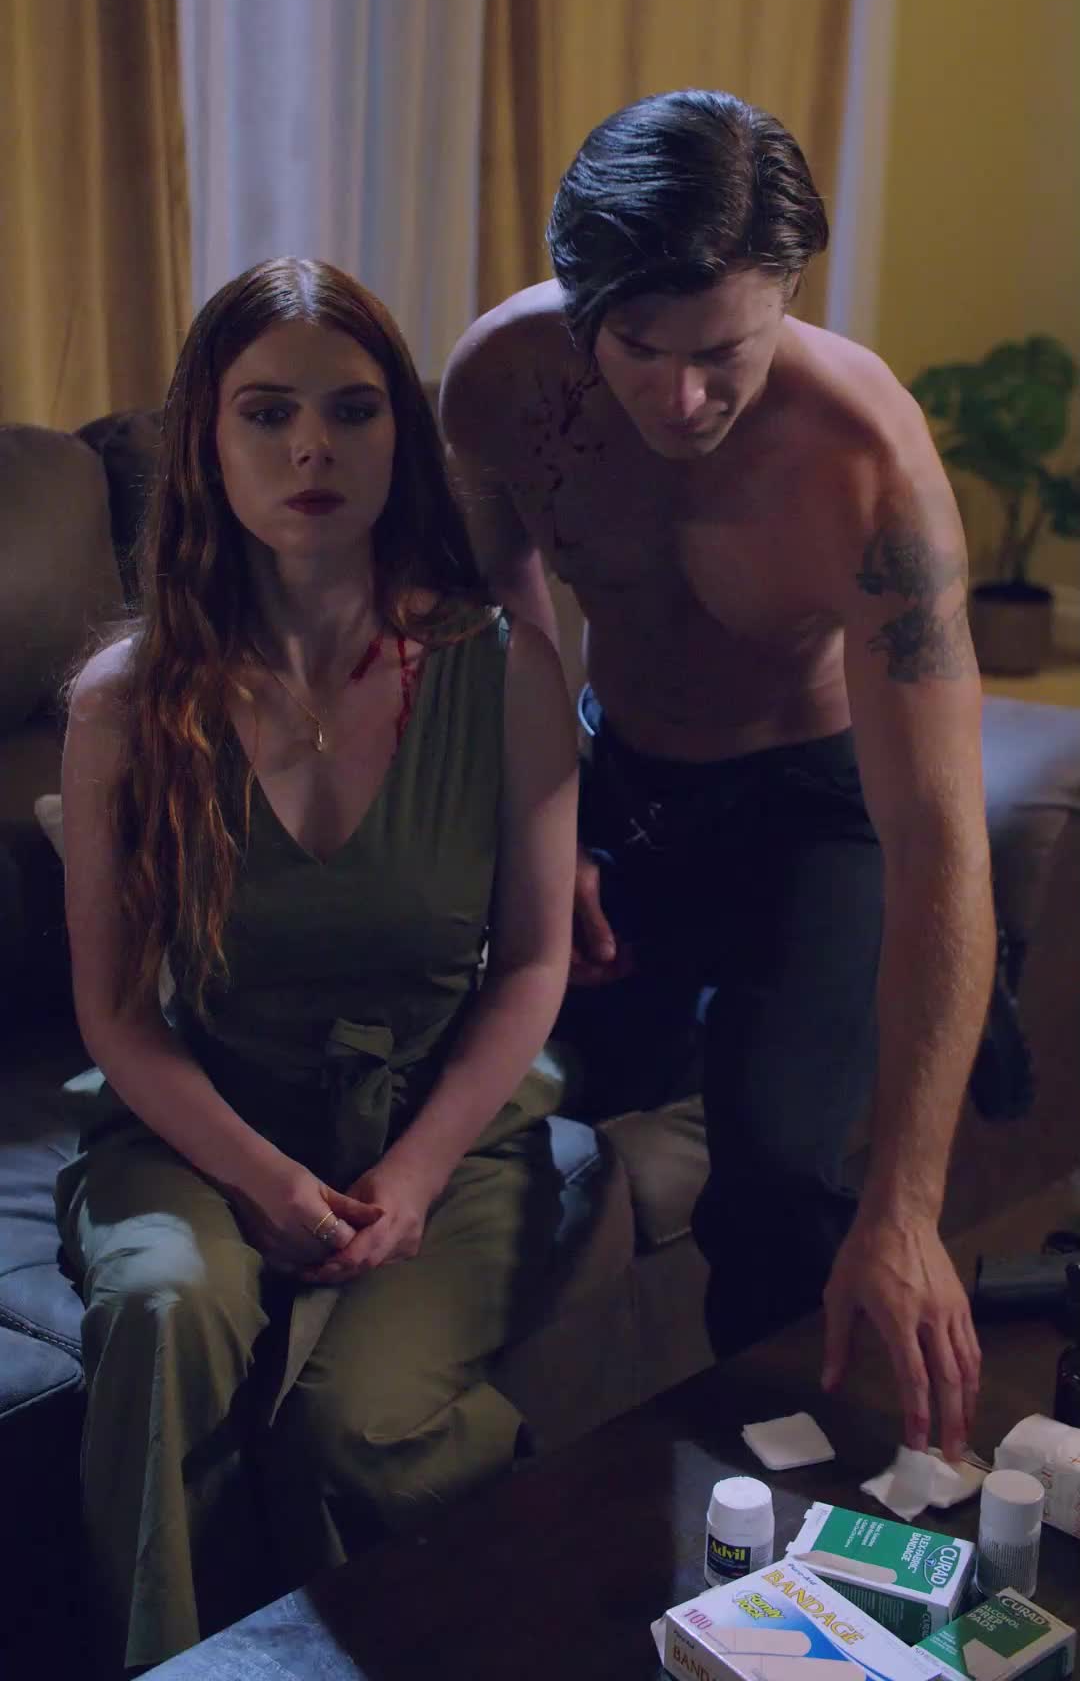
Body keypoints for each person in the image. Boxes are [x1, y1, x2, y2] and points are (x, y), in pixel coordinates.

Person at [440, 89, 996, 1464]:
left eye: (722, 354)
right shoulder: (503, 383)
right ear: (582, 303)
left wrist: (909, 1210)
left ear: (789, 294)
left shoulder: (868, 467)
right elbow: (502, 619)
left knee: (784, 1176)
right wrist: (549, 819)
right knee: (468, 1098)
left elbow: (937, 842)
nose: (681, 399)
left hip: (810, 810)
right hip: (614, 780)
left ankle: (794, 1515)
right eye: (638, 349)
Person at [56, 258, 577, 1673]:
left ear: (400, 435)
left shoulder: (505, 671)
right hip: (204, 1113)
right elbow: (115, 1012)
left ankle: (532, 1585)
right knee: (164, 1308)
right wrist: (258, 1177)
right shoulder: (121, 704)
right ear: (204, 440)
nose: (311, 449)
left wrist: (411, 1175)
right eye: (266, 411)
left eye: (352, 410)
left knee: (358, 1423)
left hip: (442, 1125)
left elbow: (532, 964)